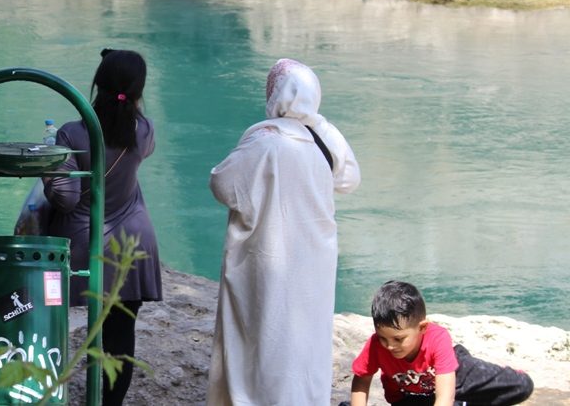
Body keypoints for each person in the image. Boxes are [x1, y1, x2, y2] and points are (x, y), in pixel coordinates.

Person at [206, 58, 361, 405]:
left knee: (263, 336)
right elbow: (349, 179)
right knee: (306, 342)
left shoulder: (265, 140)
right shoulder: (322, 140)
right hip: (314, 261)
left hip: (267, 258)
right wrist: (316, 121)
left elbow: (222, 184)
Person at [42, 49, 162, 406]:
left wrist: (48, 170)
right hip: (133, 242)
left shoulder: (72, 133)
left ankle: (43, 388)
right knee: (121, 334)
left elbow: (65, 199)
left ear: (98, 83)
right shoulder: (144, 130)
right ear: (138, 91)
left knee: (49, 320)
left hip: (81, 244)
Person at [346, 280, 534, 406]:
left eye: (398, 339)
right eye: (383, 338)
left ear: (422, 328)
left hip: (454, 376)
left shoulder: (438, 338)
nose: (389, 346)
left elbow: (444, 397)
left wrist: (447, 399)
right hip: (413, 397)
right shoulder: (376, 345)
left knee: (522, 386)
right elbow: (362, 379)